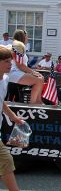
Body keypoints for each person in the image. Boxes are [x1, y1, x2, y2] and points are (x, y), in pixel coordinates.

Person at [0, 46, 24, 191]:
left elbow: (1, 101)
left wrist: (14, 117)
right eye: (6, 61)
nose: (10, 64)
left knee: (5, 162)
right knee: (6, 161)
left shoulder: (5, 79)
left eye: (11, 61)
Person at [8, 30, 44, 104]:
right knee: (38, 80)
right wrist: (33, 72)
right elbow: (20, 65)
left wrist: (33, 72)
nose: (28, 38)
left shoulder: (19, 46)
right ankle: (33, 104)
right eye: (26, 36)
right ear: (23, 37)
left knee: (41, 78)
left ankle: (38, 101)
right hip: (13, 72)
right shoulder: (18, 47)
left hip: (18, 71)